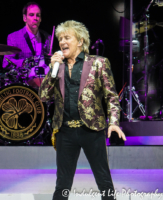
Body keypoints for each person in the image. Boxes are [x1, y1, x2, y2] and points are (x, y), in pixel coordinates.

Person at [38, 20, 126, 200]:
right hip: (65, 131)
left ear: (80, 41)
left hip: (92, 130)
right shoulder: (58, 67)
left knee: (104, 181)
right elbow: (44, 96)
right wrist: (51, 70)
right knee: (62, 183)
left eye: (67, 37)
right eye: (60, 38)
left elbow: (111, 96)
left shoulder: (99, 63)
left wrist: (114, 122)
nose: (62, 42)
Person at [3, 2, 51, 85]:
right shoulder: (14, 37)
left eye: (38, 15)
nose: (35, 18)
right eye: (31, 15)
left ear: (40, 19)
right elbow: (6, 62)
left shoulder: (47, 37)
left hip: (44, 83)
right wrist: (23, 63)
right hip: (23, 83)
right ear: (24, 18)